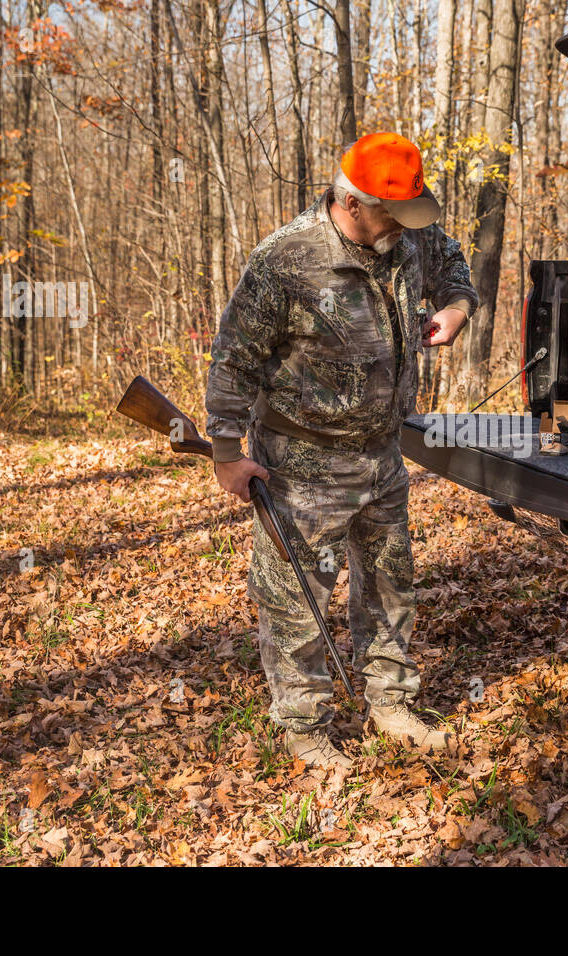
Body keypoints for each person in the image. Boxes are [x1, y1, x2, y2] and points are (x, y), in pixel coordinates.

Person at [204, 132, 477, 770]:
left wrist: (457, 307)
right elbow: (233, 361)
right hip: (301, 463)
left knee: (389, 585)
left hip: (383, 455)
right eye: (392, 213)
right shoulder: (288, 260)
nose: (404, 227)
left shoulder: (408, 239)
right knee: (297, 600)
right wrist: (225, 453)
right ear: (352, 203)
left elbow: (454, 266)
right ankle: (304, 727)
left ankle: (390, 703)